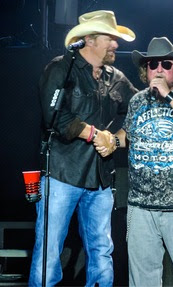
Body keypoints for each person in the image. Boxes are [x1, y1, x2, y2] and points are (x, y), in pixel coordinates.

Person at [29, 10, 137, 286]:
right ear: (89, 39)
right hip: (62, 175)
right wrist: (94, 134)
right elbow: (54, 115)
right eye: (110, 38)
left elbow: (138, 108)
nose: (116, 44)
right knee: (49, 249)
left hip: (101, 179)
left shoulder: (116, 78)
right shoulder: (61, 69)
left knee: (102, 249)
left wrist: (115, 138)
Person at [97, 36, 173, 286]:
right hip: (141, 208)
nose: (158, 69)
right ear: (145, 70)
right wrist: (112, 142)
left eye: (166, 64)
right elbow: (128, 134)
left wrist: (169, 96)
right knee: (142, 282)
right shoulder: (138, 100)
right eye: (152, 64)